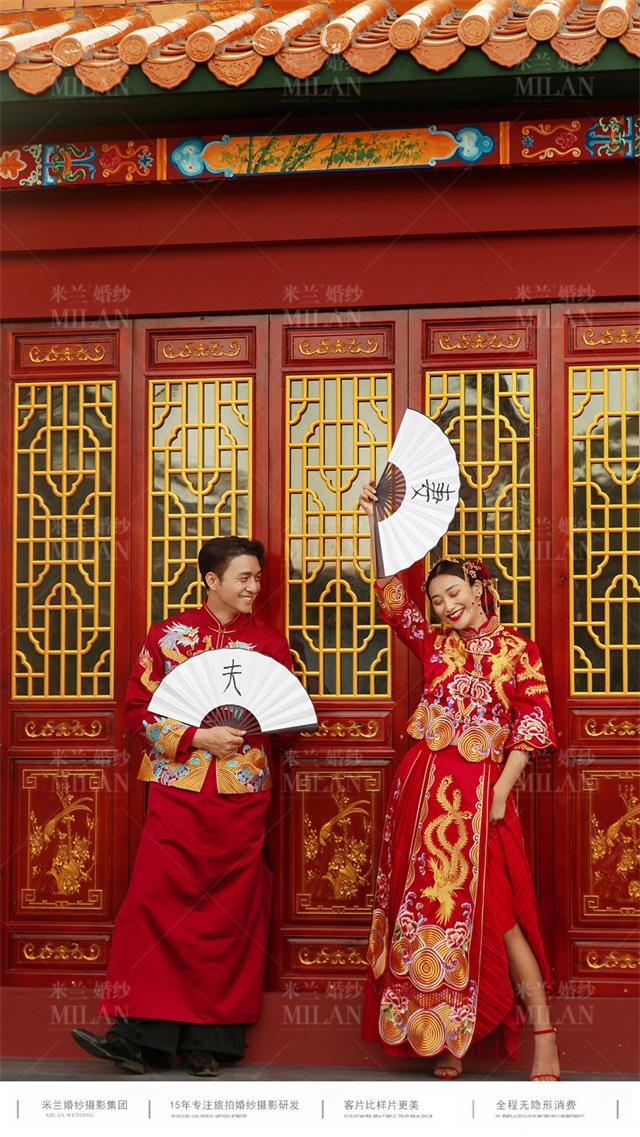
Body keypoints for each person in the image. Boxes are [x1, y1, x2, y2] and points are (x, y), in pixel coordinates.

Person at [358, 481, 560, 1081]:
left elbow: (533, 723)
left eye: (454, 593)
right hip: (422, 791)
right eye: (438, 599)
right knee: (425, 910)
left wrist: (501, 791)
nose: (446, 606)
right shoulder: (434, 645)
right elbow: (392, 600)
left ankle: (545, 1037)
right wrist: (377, 524)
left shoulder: (518, 651)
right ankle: (447, 1038)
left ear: (478, 588)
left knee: (499, 916)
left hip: (480, 795)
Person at [71, 536, 293, 1076]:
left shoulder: (268, 644)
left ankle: (207, 1044)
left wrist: (243, 734)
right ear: (212, 580)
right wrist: (196, 736)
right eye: (243, 577)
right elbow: (136, 713)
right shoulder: (168, 637)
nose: (254, 587)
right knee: (152, 904)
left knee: (228, 914)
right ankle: (137, 1038)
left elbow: (283, 718)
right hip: (176, 792)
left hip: (240, 797)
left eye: (258, 578)